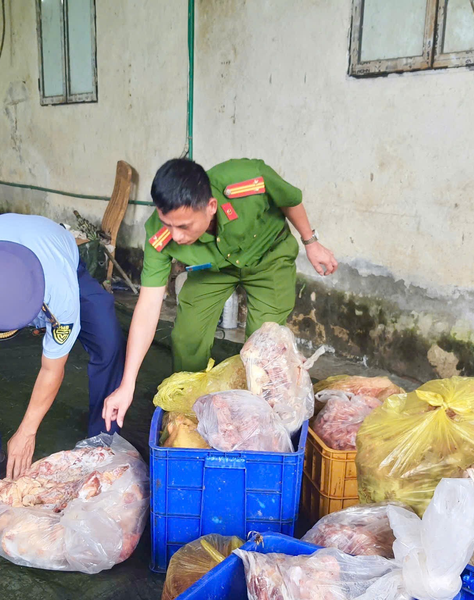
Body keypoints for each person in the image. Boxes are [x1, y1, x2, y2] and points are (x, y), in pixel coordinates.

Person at [101, 158, 337, 431]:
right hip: (213, 269)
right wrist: (127, 383)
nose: (175, 236)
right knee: (187, 336)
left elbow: (290, 200)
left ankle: (260, 422)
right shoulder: (159, 236)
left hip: (268, 258)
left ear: (211, 207)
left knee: (262, 347)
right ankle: (189, 412)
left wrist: (311, 242)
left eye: (184, 226)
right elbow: (148, 305)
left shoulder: (248, 181)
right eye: (168, 224)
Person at [0, 213, 126, 490]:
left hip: (58, 254)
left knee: (108, 340)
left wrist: (28, 431)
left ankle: (103, 440)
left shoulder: (59, 293)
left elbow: (53, 367)